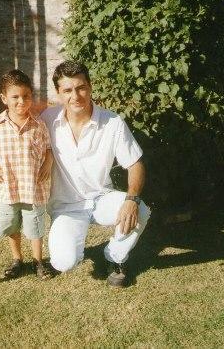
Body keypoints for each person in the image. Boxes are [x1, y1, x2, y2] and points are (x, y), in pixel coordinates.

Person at [41, 61, 150, 288]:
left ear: (90, 87)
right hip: (66, 206)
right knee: (64, 262)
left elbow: (135, 164)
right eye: (67, 90)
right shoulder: (47, 120)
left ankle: (115, 257)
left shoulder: (112, 122)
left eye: (81, 87)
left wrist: (131, 199)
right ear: (59, 94)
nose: (75, 96)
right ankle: (73, 246)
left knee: (140, 209)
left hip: (101, 199)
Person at [0, 69, 53, 280]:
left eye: (26, 96)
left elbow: (49, 147)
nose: (21, 101)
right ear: (4, 98)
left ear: (31, 96)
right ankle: (17, 259)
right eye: (15, 97)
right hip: (8, 190)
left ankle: (38, 261)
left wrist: (48, 162)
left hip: (34, 189)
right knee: (12, 225)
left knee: (35, 226)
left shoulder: (39, 125)